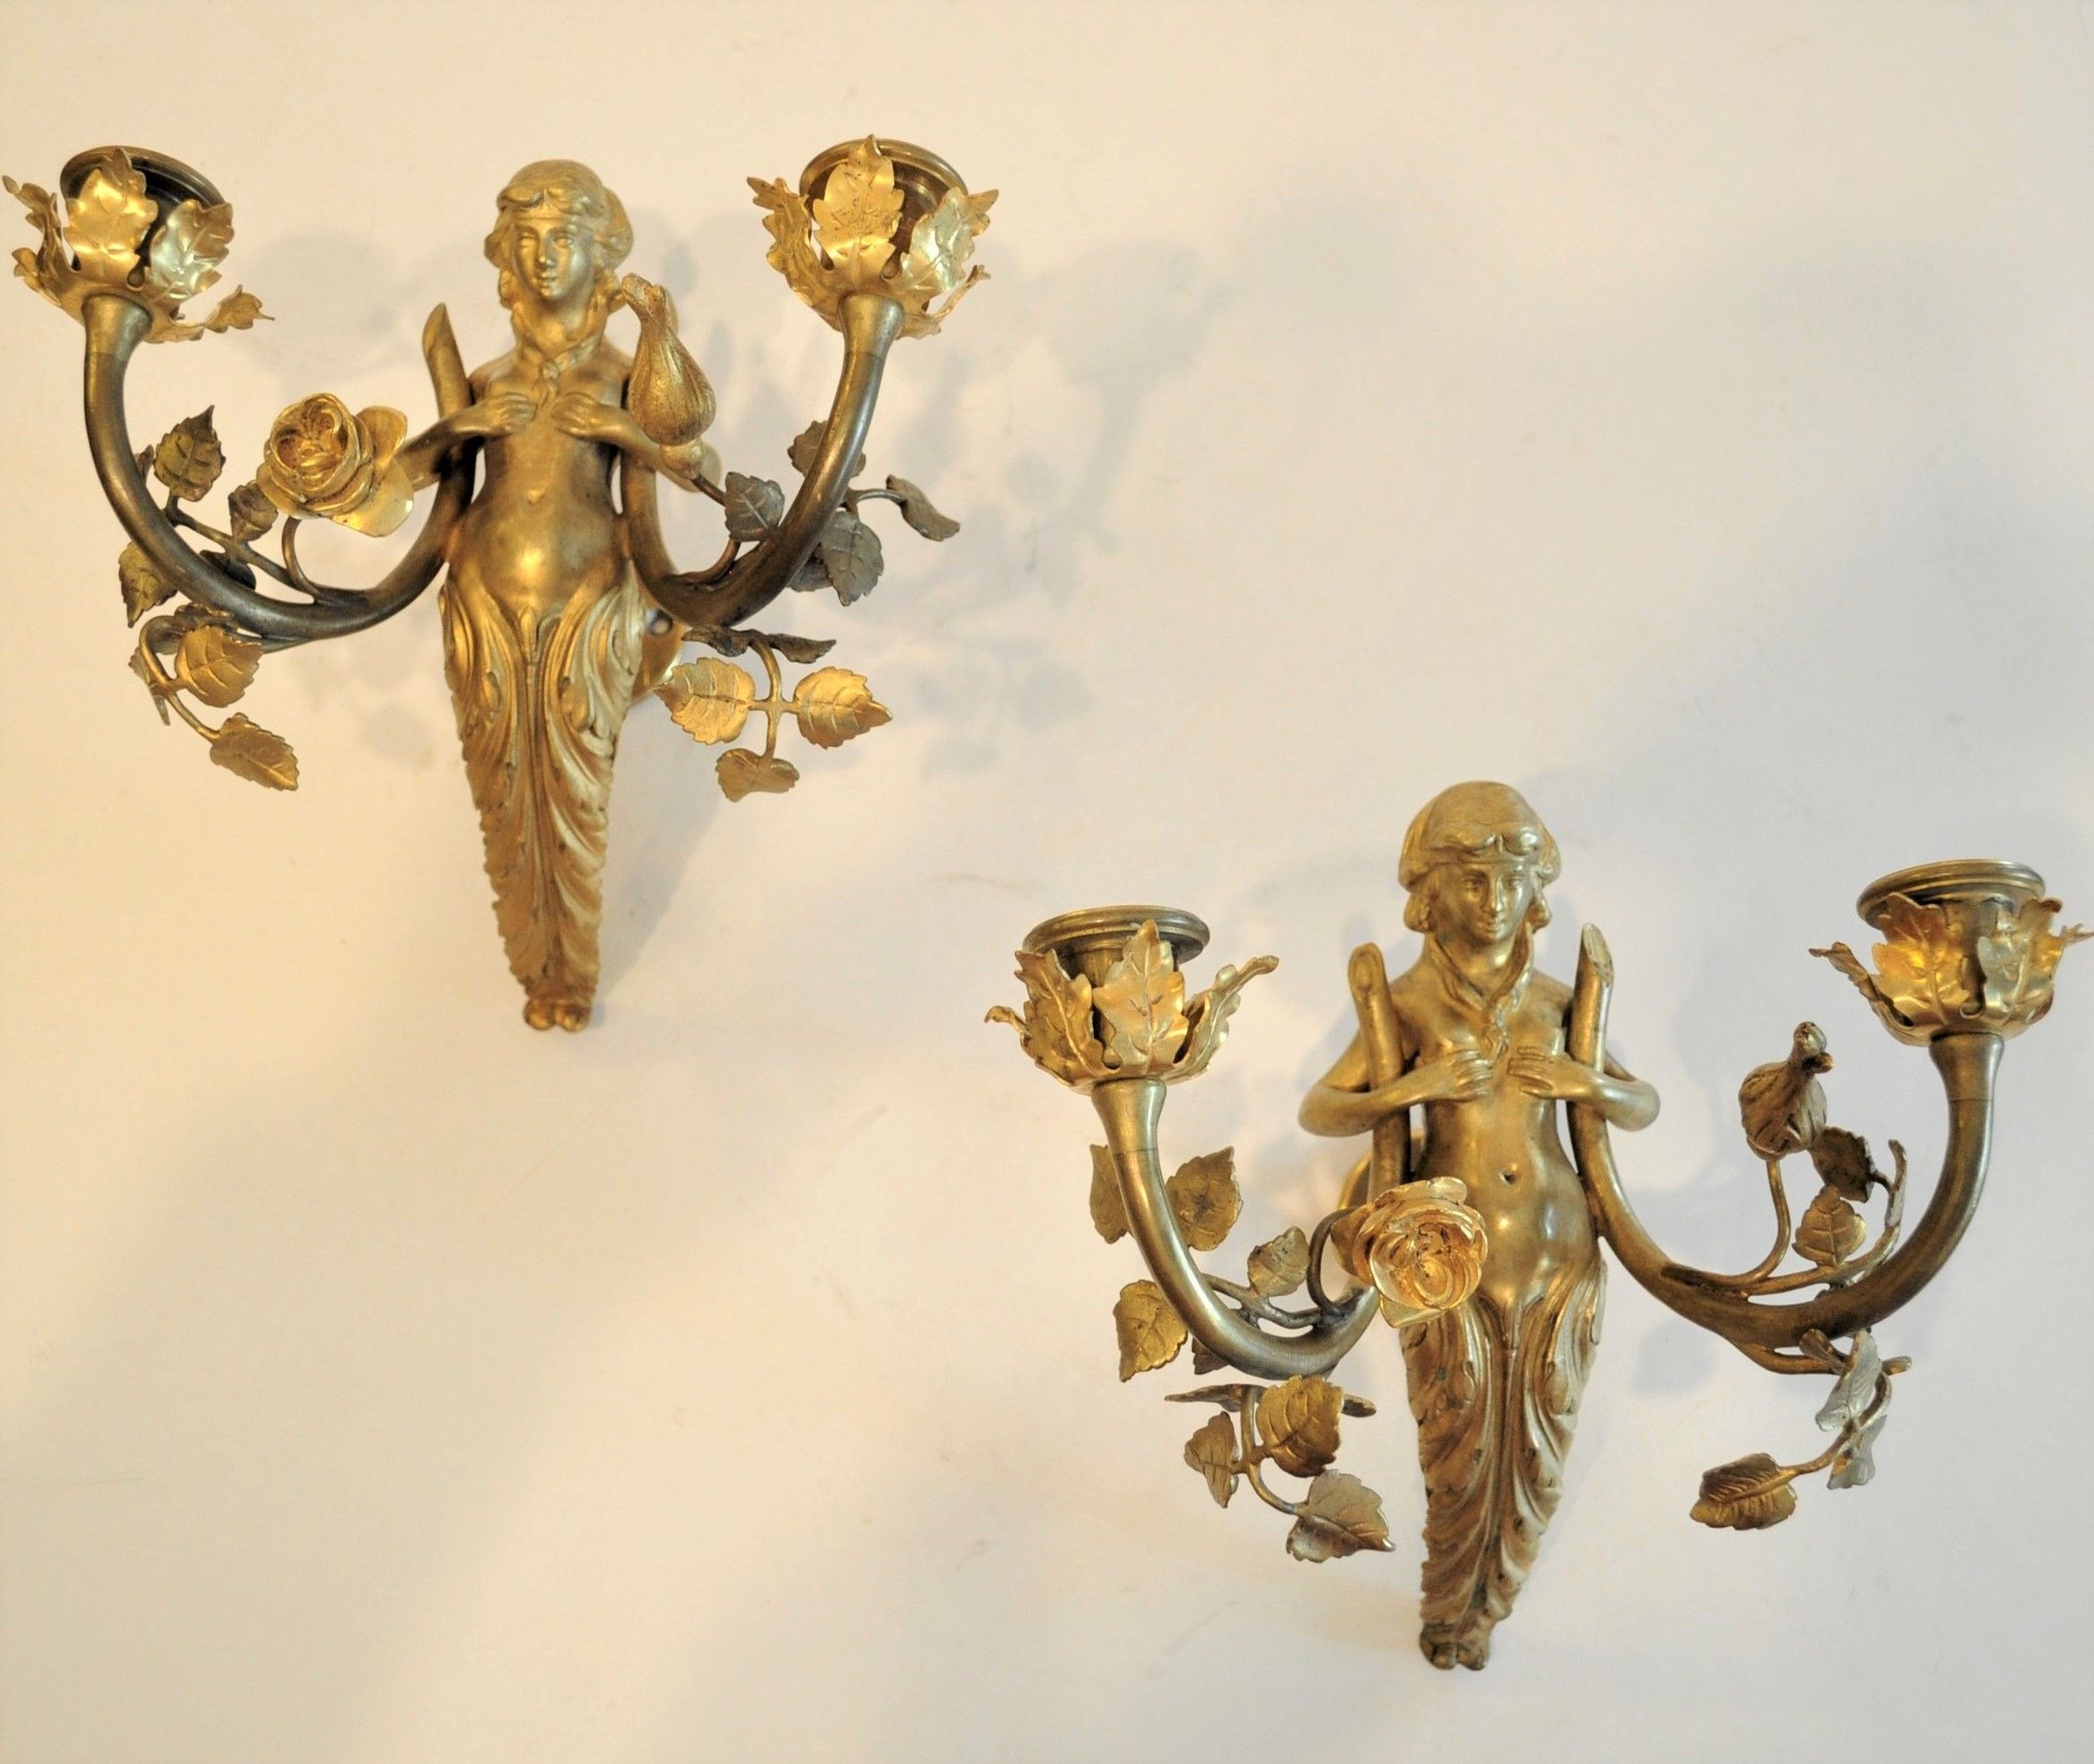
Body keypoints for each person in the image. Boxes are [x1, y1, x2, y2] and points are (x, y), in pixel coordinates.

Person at [1300, 780, 1658, 1669]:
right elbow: (1322, 1109)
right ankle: (1450, 1606)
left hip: (1558, 1249)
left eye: (1509, 878)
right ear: (1432, 891)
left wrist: (1584, 1082)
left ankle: (1491, 1604)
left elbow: (1641, 1102)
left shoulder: (1558, 1001)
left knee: (1540, 1447)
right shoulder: (1409, 1003)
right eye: (1470, 878)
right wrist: (1411, 1087)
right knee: (1456, 1445)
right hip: (1441, 1260)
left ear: (1535, 889)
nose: (1493, 898)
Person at [409, 162, 693, 1030]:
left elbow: (692, 467)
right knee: (502, 785)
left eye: (562, 238)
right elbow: (417, 486)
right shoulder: (488, 379)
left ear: (599, 254)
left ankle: (570, 967)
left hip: (590, 605)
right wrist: (463, 423)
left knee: (573, 792)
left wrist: (621, 430)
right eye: (527, 239)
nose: (543, 256)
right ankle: (533, 963)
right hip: (482, 601)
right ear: (505, 254)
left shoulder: (621, 376)